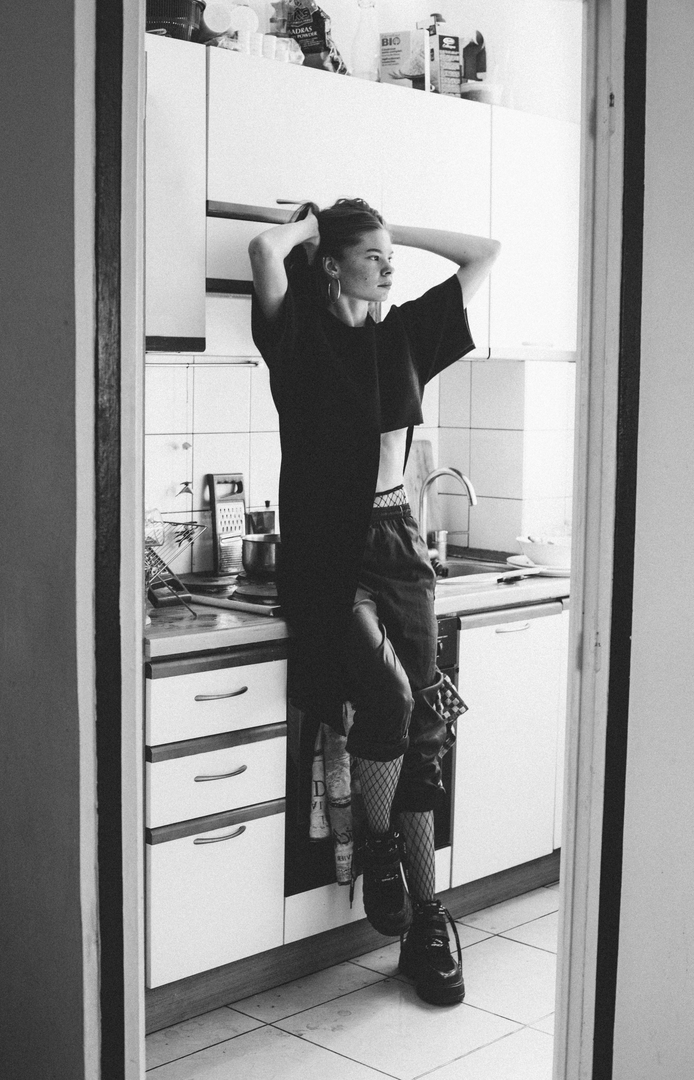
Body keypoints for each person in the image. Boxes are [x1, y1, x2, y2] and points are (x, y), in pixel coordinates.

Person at [249, 198, 500, 1006]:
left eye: (392, 257)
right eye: (372, 256)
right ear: (331, 263)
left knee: (422, 726)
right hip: (329, 552)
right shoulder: (297, 338)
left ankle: (427, 921)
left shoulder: (406, 337)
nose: (389, 268)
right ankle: (384, 845)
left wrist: (399, 227)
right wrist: (312, 225)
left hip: (399, 543)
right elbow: (264, 251)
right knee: (390, 696)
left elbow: (484, 252)